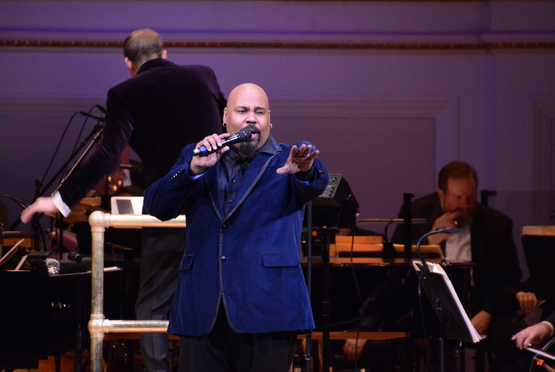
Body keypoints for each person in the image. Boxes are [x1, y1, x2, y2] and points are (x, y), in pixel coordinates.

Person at [20, 28, 227, 372]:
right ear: (164, 54)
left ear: (129, 64)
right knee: (215, 298)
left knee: (150, 307)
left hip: (171, 208)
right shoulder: (203, 74)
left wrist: (59, 201)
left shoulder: (125, 93)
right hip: (220, 207)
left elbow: (107, 157)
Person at [143, 83, 329, 371]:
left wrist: (305, 169)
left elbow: (316, 181)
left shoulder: (287, 160)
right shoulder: (197, 155)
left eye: (259, 112)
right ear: (225, 116)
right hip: (203, 308)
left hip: (269, 308)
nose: (251, 118)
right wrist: (193, 170)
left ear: (270, 118)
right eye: (242, 111)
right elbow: (156, 206)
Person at [387, 160, 537, 371]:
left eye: (470, 198)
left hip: (481, 305)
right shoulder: (417, 212)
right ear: (442, 195)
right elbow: (396, 261)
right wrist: (430, 241)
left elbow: (509, 276)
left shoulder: (496, 223)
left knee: (519, 345)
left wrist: (487, 312)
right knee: (396, 339)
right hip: (431, 307)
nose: (465, 206)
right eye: (458, 199)